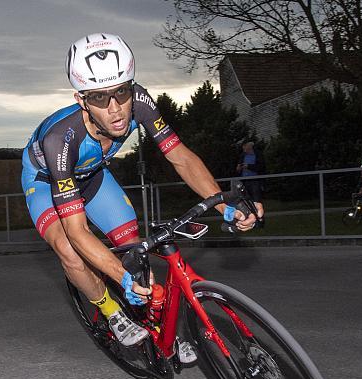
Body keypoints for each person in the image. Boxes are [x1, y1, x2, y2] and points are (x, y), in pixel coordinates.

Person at [21, 34, 263, 362]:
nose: (115, 109)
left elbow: (180, 157)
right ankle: (112, 312)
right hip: (47, 181)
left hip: (91, 177)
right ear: (81, 101)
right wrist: (119, 275)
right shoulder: (60, 140)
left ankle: (158, 323)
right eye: (99, 98)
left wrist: (224, 203)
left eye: (121, 92)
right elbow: (78, 232)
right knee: (70, 251)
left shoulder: (141, 102)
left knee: (135, 249)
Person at [236, 141, 264, 227]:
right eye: (243, 147)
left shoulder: (257, 155)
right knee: (246, 201)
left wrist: (248, 166)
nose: (244, 149)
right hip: (245, 181)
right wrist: (239, 168)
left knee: (257, 201)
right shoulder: (243, 156)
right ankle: (248, 220)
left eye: (245, 147)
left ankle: (260, 221)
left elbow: (261, 167)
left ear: (250, 147)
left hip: (255, 181)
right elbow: (238, 168)